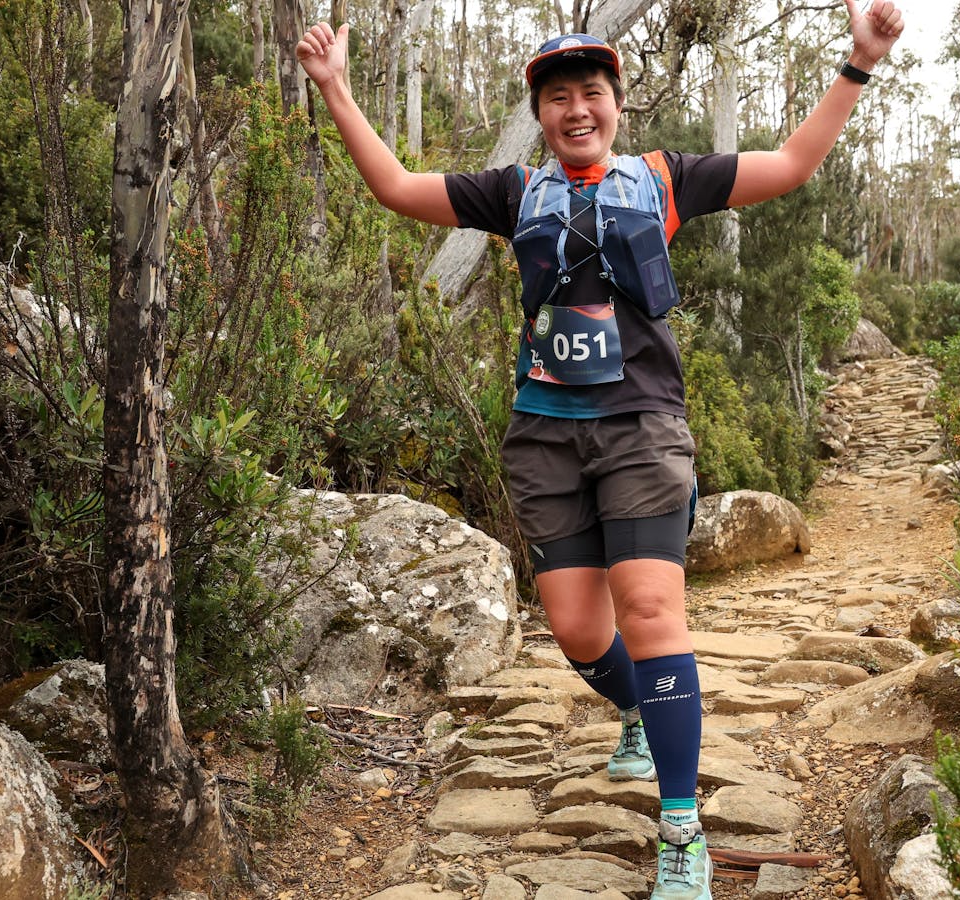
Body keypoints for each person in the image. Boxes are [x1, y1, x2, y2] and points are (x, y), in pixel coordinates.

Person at [298, 4, 904, 897]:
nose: (576, 107)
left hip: (643, 427)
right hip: (544, 433)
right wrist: (338, 91)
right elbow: (395, 186)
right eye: (557, 97)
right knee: (581, 631)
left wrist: (857, 66)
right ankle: (630, 707)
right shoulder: (512, 194)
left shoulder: (668, 179)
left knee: (652, 611)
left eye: (591, 92)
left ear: (617, 103)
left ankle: (681, 830)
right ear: (540, 114)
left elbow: (792, 164)